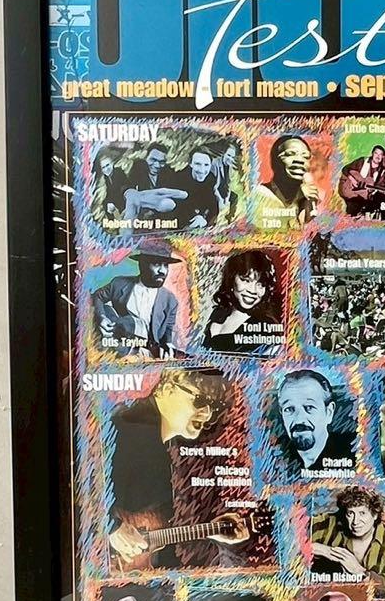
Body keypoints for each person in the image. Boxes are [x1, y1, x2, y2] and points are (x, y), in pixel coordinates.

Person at [107, 369, 247, 569]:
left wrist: (211, 530)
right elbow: (78, 487)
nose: (207, 413)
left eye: (214, 406)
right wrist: (112, 527)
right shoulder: (123, 430)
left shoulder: (163, 452)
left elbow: (154, 528)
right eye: (200, 399)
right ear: (165, 390)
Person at [310, 486, 385, 598]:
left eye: (362, 513)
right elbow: (294, 534)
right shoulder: (330, 524)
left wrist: (359, 571)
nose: (355, 522)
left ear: (375, 515)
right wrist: (324, 550)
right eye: (350, 513)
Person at [92, 239, 183, 358]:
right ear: (142, 265)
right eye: (156, 264)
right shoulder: (119, 283)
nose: (162, 271)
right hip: (117, 348)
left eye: (165, 265)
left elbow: (168, 332)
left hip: (148, 353)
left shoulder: (170, 301)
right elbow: (97, 296)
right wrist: (102, 317)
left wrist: (168, 344)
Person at [276, 369, 356, 477]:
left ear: (329, 412)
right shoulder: (271, 453)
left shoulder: (357, 452)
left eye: (309, 407)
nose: (299, 419)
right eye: (289, 409)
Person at [203, 250, 281, 353]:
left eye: (261, 284)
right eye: (246, 280)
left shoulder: (266, 328)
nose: (252, 290)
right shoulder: (218, 313)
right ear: (231, 279)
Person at [256, 134, 320, 226]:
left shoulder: (306, 196)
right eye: (290, 154)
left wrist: (308, 208)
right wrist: (295, 203)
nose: (300, 160)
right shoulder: (260, 194)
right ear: (274, 161)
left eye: (305, 156)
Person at [122, 144, 188, 224]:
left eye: (161, 162)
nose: (157, 165)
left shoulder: (168, 172)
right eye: (153, 160)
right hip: (139, 216)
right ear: (146, 157)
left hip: (161, 219)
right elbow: (128, 186)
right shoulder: (139, 167)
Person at [164, 148, 221, 228]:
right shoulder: (178, 178)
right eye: (198, 164)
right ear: (191, 164)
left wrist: (205, 220)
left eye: (206, 165)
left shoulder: (210, 178)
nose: (202, 170)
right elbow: (178, 206)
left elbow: (213, 204)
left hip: (200, 216)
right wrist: (195, 217)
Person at [339, 145, 385, 217]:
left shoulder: (382, 172)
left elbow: (379, 187)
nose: (378, 156)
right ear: (372, 154)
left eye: (380, 154)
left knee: (369, 205)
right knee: (354, 207)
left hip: (361, 195)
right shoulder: (362, 161)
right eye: (376, 153)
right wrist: (353, 180)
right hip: (348, 188)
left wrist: (384, 191)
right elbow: (345, 169)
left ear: (383, 157)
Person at [93, 147, 129, 221]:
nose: (106, 169)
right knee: (105, 203)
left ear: (112, 163)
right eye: (103, 167)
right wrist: (108, 203)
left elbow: (123, 188)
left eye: (107, 165)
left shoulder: (118, 172)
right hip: (116, 205)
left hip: (126, 201)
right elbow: (108, 195)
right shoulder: (105, 179)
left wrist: (112, 203)